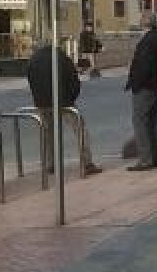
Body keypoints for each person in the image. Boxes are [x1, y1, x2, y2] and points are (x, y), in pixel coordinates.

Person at [26, 42, 101, 175]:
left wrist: (38, 98)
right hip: (64, 101)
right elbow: (74, 81)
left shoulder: (34, 59)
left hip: (42, 102)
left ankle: (51, 164)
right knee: (80, 130)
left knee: (48, 133)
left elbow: (31, 80)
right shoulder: (61, 57)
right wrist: (70, 98)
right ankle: (87, 163)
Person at [125, 12, 157, 171]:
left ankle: (145, 159)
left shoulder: (147, 41)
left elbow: (144, 65)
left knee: (139, 120)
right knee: (153, 120)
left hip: (145, 86)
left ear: (144, 23)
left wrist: (136, 83)